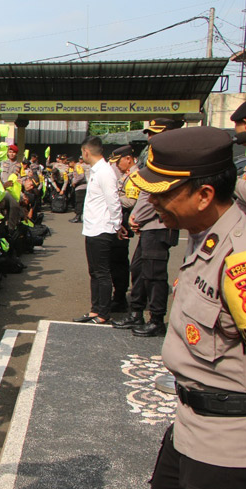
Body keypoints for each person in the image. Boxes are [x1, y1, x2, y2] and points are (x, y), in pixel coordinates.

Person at [127, 126, 246, 489]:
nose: (152, 204)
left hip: (225, 447)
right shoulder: (204, 232)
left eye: (162, 195)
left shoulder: (239, 258)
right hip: (188, 426)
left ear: (204, 195)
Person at [111, 158, 180, 336]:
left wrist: (136, 218)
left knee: (154, 275)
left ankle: (157, 319)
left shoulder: (164, 169)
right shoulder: (154, 168)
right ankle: (136, 313)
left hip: (159, 225)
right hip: (148, 226)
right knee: (139, 270)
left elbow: (151, 198)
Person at [74, 136, 121, 324]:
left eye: (82, 152)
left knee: (102, 273)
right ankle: (95, 309)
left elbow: (113, 200)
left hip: (102, 229)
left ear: (86, 151)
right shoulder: (96, 170)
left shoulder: (105, 172)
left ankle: (103, 313)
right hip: (92, 228)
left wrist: (117, 225)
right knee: (93, 272)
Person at [108, 145, 139, 313]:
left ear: (128, 159)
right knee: (115, 260)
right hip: (121, 220)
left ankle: (120, 298)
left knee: (119, 261)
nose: (117, 166)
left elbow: (131, 201)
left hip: (125, 222)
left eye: (119, 162)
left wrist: (112, 197)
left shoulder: (134, 176)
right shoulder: (127, 175)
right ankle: (118, 295)